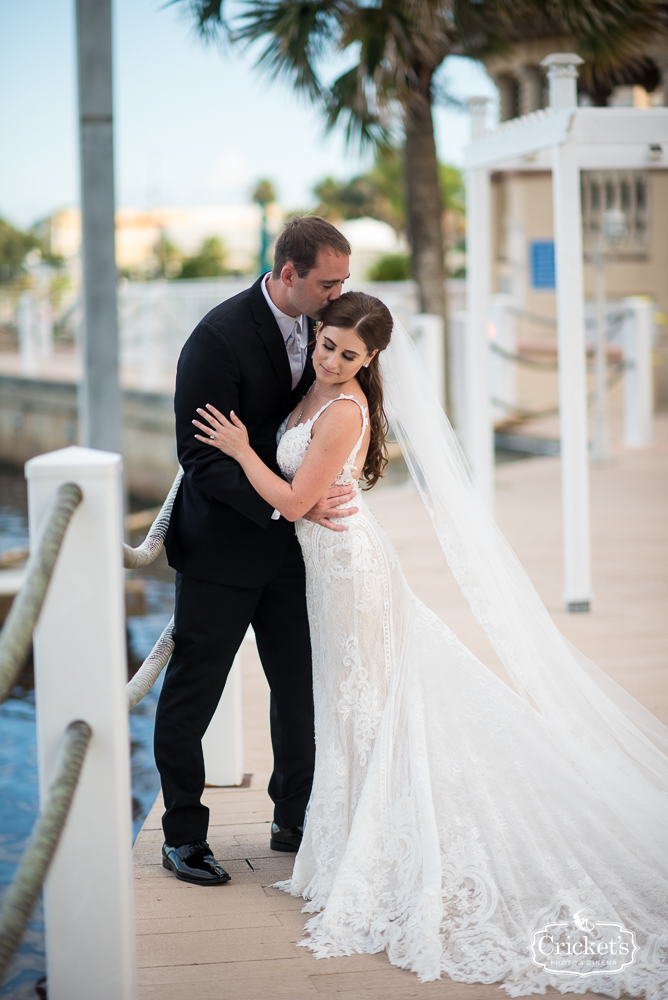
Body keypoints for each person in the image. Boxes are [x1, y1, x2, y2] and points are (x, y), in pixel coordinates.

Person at [194, 290, 668, 997]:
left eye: (348, 354)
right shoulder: (313, 387)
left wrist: (237, 450)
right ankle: (346, 838)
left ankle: (371, 847)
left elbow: (294, 502)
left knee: (364, 701)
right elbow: (302, 491)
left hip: (349, 570)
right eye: (326, 345)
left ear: (372, 358)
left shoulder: (346, 406)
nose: (330, 360)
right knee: (345, 700)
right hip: (325, 569)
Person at [156, 216, 354, 887]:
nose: (338, 294)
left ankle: (292, 818)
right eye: (328, 283)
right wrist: (282, 504)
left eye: (344, 283)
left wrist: (312, 495)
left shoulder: (325, 325)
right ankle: (182, 835)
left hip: (296, 550)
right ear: (289, 273)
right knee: (194, 693)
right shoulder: (217, 338)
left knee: (299, 690)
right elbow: (199, 458)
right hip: (221, 550)